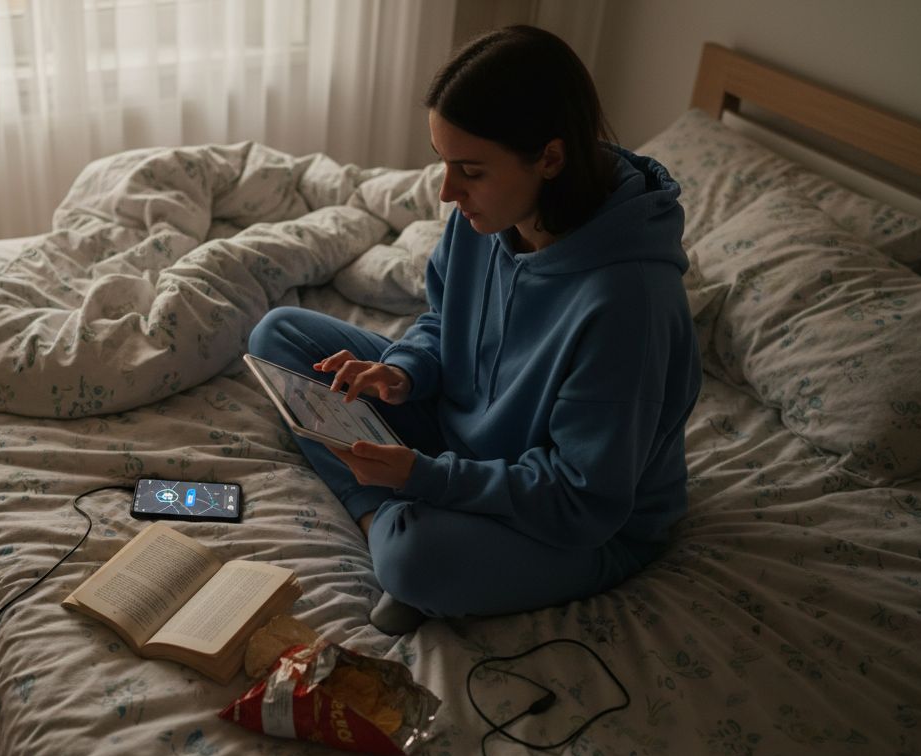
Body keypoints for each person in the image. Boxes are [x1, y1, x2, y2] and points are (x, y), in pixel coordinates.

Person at [248, 25, 701, 633]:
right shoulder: (488, 215)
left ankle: (391, 532)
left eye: (469, 170)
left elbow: (581, 498)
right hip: (461, 440)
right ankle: (381, 519)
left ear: (550, 158)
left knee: (416, 558)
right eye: (443, 162)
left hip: (585, 522)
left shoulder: (628, 302)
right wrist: (402, 372)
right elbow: (444, 319)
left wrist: (423, 477)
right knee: (279, 337)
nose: (446, 191)